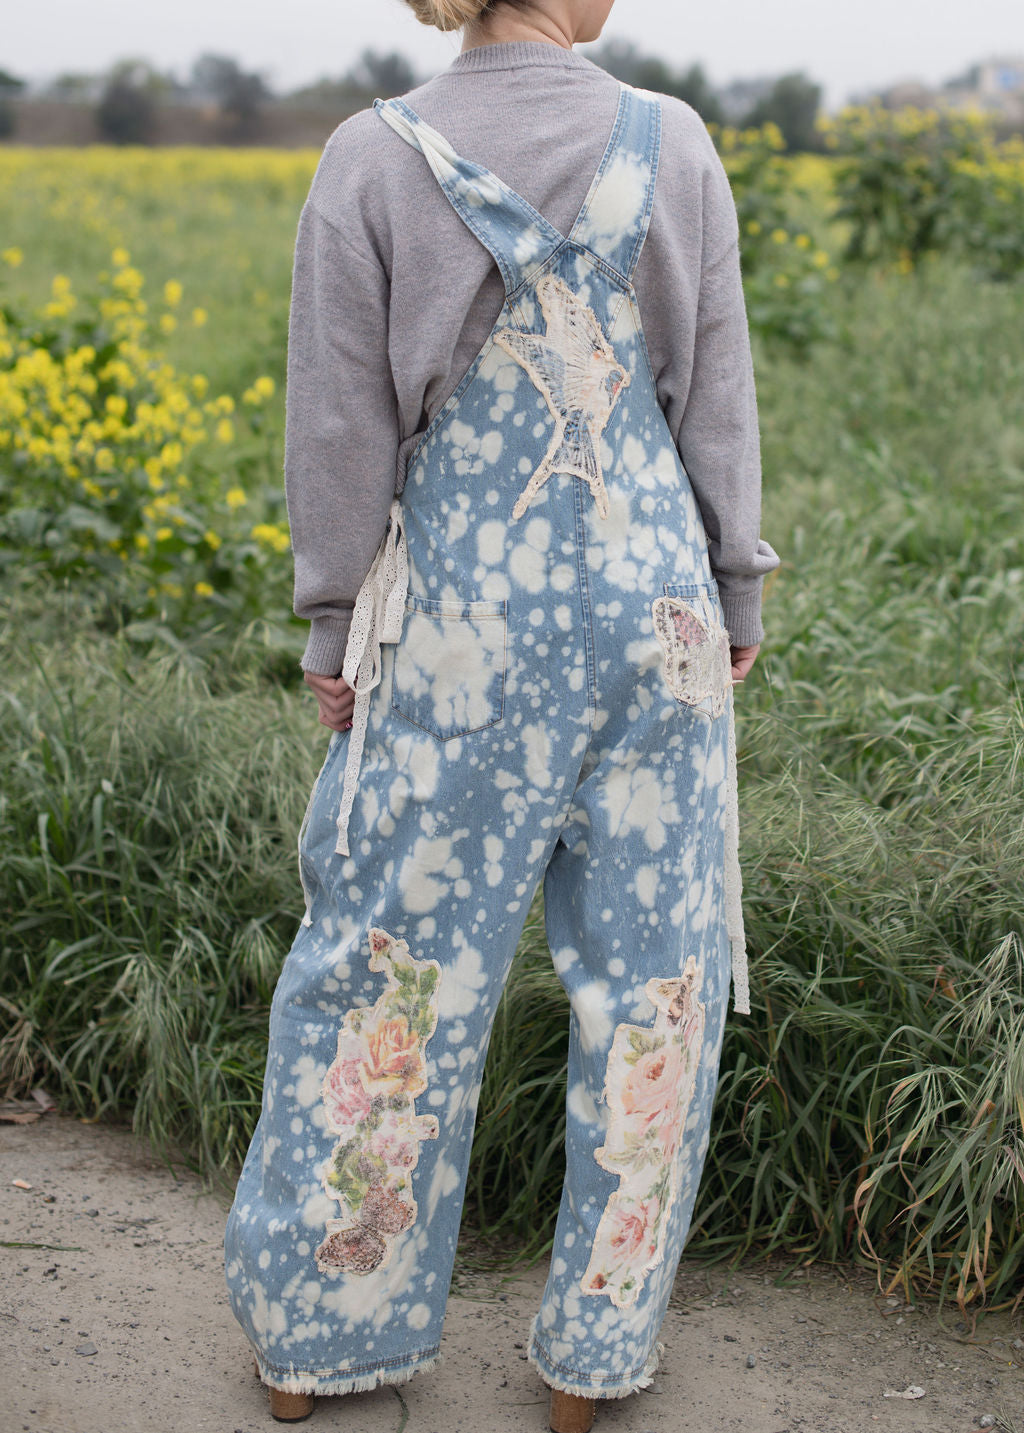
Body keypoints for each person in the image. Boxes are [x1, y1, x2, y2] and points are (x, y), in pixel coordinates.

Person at [224, 0, 780, 1427]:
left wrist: (336, 619)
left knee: (386, 969)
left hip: (457, 632)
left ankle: (319, 1334)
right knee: (653, 988)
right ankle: (593, 1358)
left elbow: (340, 424)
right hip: (654, 621)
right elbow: (714, 399)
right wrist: (735, 590)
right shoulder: (674, 144)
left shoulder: (370, 156)